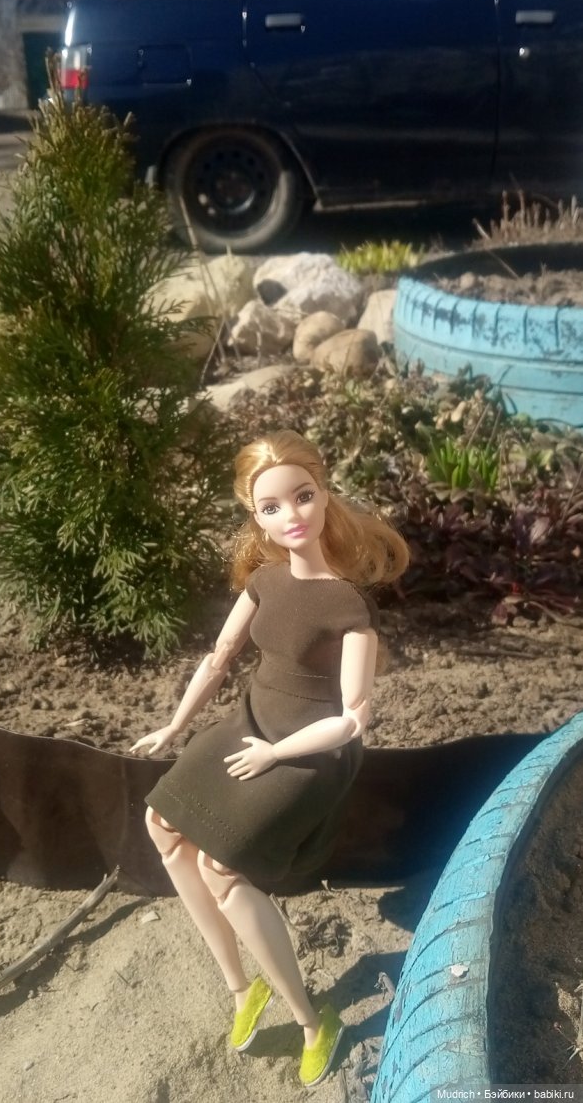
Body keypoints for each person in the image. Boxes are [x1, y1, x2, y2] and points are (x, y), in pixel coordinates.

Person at [131, 429, 409, 1086]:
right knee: (161, 823)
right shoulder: (263, 581)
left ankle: (313, 1022)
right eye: (272, 506)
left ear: (324, 494)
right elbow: (218, 657)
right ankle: (241, 987)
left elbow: (354, 717)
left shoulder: (348, 606)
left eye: (303, 496)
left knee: (223, 867)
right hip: (251, 722)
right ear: (256, 517)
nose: (292, 515)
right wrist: (174, 725)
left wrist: (277, 752)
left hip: (311, 747)